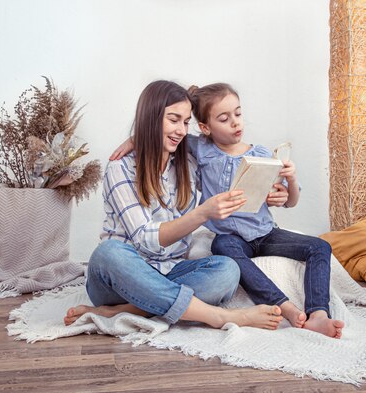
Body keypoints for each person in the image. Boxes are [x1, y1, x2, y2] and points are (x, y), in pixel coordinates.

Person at [112, 83, 344, 338]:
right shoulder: (200, 149)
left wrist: (287, 186)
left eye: (238, 114)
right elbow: (159, 131)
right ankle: (284, 306)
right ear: (205, 128)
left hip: (264, 232)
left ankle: (319, 312)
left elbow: (289, 201)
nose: (235, 123)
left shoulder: (261, 153)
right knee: (223, 248)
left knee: (318, 247)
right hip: (230, 238)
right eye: (224, 118)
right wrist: (135, 139)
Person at [64, 80, 283, 330]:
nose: (181, 130)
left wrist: (275, 191)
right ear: (151, 118)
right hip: (121, 278)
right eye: (173, 119)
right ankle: (218, 316)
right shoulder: (121, 168)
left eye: (186, 121)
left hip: (169, 271)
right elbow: (146, 239)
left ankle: (126, 311)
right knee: (109, 253)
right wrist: (203, 213)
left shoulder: (187, 164)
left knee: (227, 269)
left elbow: (226, 175)